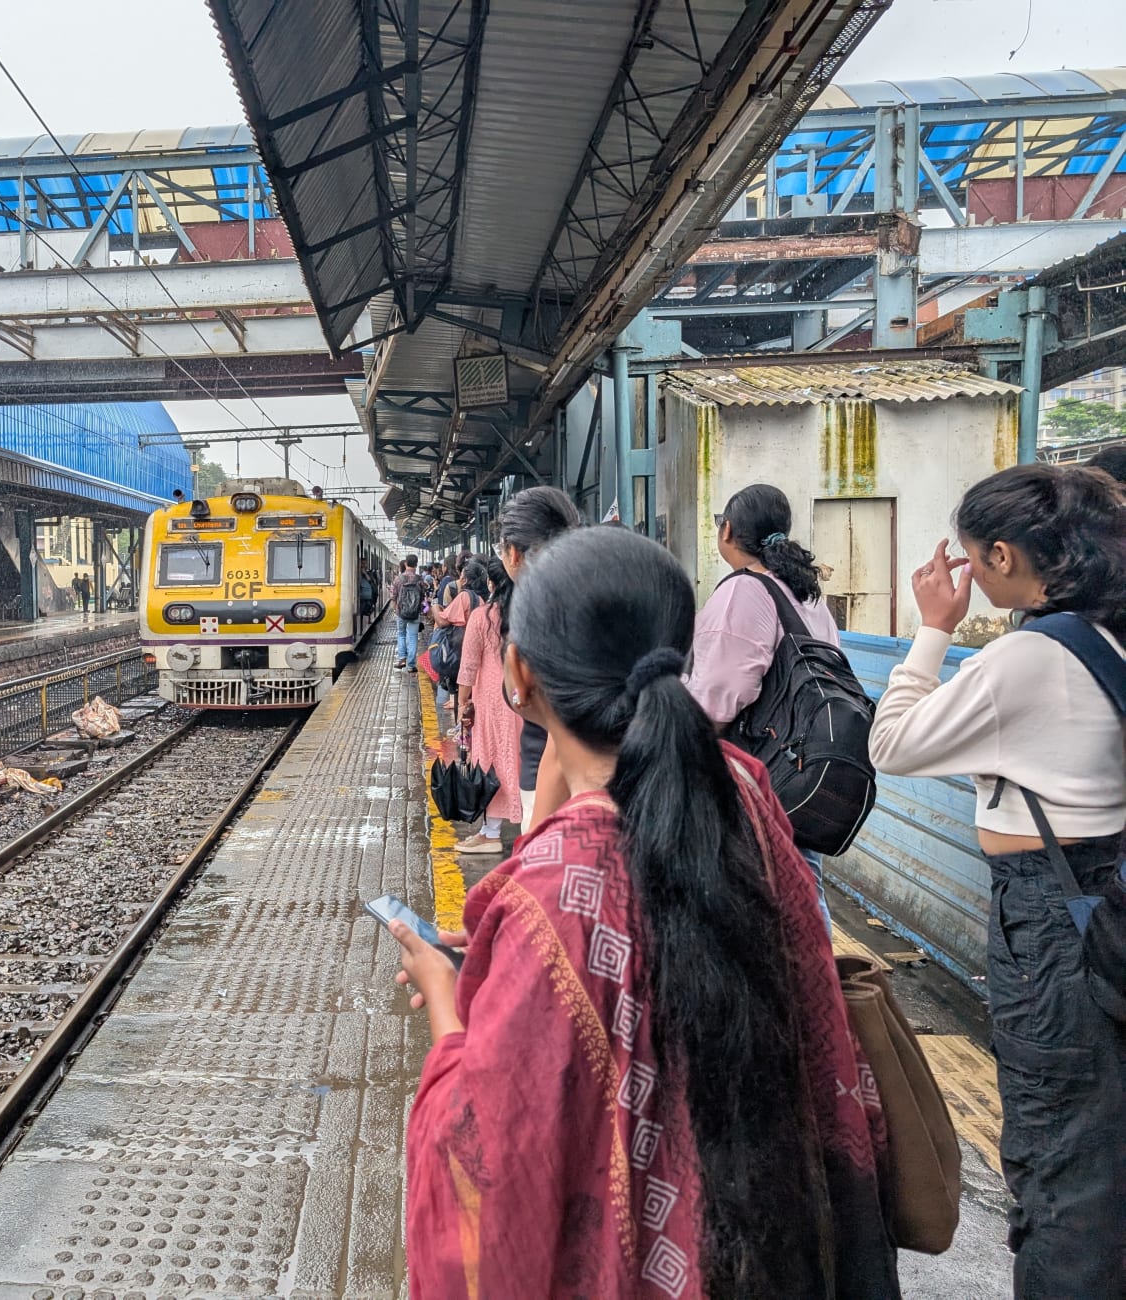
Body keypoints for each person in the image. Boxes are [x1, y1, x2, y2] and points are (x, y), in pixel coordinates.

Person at [391, 527, 897, 1299]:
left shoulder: (557, 888)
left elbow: (485, 1164)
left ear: (519, 675)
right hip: (777, 1230)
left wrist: (445, 1000)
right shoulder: (744, 786)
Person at [867, 463, 1125, 1299]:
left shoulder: (1029, 660)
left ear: (1006, 558)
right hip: (1109, 894)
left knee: (1059, 1162)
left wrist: (935, 628)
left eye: (975, 559)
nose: (968, 574)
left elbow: (893, 744)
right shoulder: (1110, 632)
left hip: (1053, 925)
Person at [688, 483, 840, 934]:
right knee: (800, 886)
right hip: (799, 766)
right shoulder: (806, 595)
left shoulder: (745, 591)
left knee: (756, 893)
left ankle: (789, 995)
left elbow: (717, 697)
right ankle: (815, 990)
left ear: (727, 531)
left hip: (754, 773)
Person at [494, 486, 580, 829]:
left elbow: (560, 742)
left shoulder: (538, 620)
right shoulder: (594, 596)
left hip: (558, 786)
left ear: (514, 554)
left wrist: (532, 847)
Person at [455, 557, 522, 854]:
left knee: (490, 762)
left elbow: (468, 667)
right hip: (525, 697)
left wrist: (462, 704)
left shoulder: (482, 617)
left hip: (492, 700)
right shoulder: (528, 613)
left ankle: (491, 832)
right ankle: (529, 826)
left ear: (491, 584)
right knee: (524, 759)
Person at [431, 557, 487, 726]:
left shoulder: (464, 597)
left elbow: (442, 621)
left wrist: (434, 606)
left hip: (457, 650)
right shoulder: (481, 599)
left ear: (467, 579)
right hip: (469, 650)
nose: (460, 578)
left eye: (463, 575)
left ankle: (457, 734)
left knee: (453, 690)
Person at [390, 554, 425, 672]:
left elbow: (393, 596)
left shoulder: (398, 579)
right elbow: (422, 597)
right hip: (415, 613)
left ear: (406, 564)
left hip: (401, 612)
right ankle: (411, 665)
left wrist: (395, 609)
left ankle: (402, 659)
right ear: (416, 564)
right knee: (413, 636)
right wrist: (422, 610)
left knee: (401, 634)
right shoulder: (419, 579)